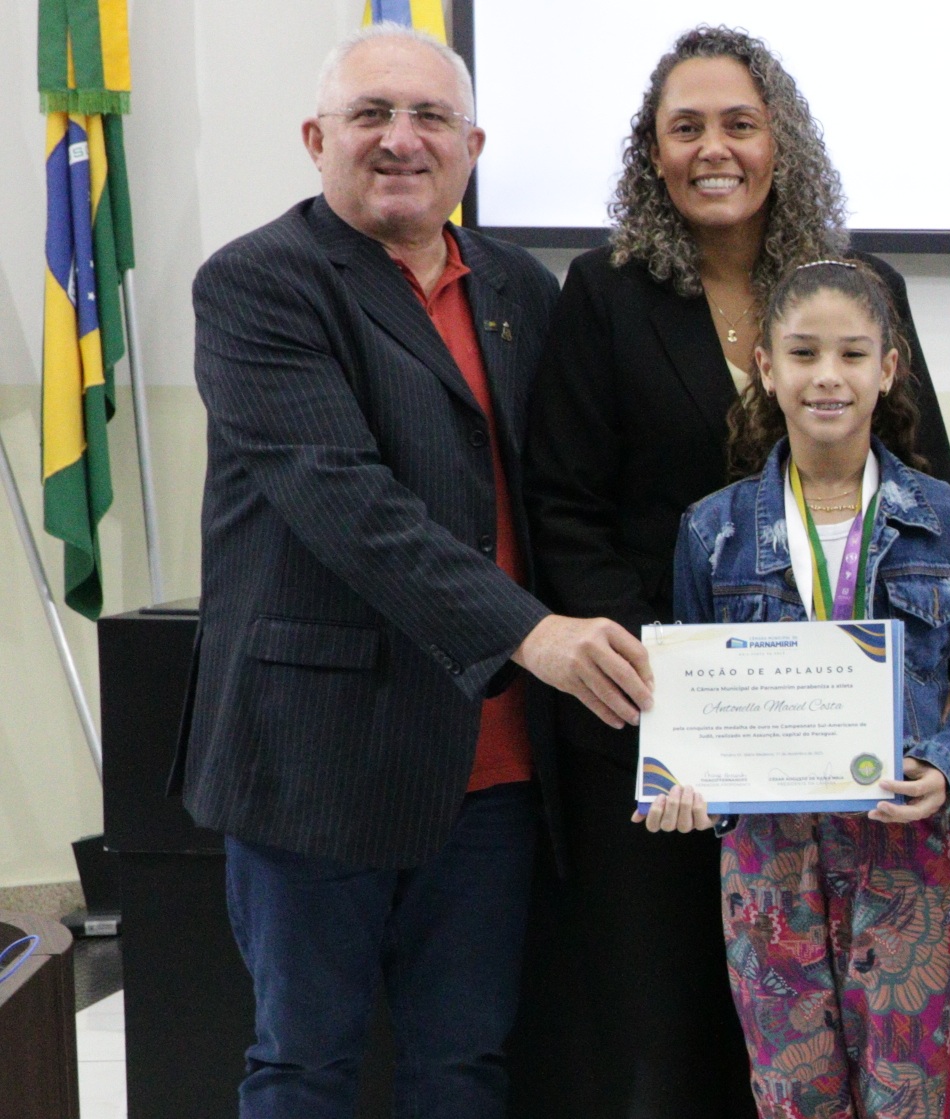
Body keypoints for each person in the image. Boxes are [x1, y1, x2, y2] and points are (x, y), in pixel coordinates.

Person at [184, 26, 651, 1118]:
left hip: (490, 775)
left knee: (465, 1067)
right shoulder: (258, 285)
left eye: (430, 118)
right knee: (305, 1065)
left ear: (473, 145)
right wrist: (533, 633)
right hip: (318, 759)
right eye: (371, 116)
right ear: (316, 138)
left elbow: (568, 488)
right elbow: (345, 502)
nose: (402, 141)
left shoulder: (519, 289)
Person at [514, 26, 950, 1118]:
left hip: (849, 751)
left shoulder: (863, 285)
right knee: (681, 1034)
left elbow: (927, 480)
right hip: (670, 735)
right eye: (686, 127)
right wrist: (679, 697)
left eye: (740, 124)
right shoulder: (605, 294)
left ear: (781, 142)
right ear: (652, 153)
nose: (715, 149)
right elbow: (564, 508)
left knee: (861, 1038)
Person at [644, 259, 950, 1119]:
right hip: (768, 865)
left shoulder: (948, 522)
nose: (828, 376)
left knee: (909, 1095)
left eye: (852, 353)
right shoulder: (714, 529)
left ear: (889, 368)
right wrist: (687, 786)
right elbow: (687, 695)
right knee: (792, 1095)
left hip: (906, 851)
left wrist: (949, 766)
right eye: (804, 353)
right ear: (767, 367)